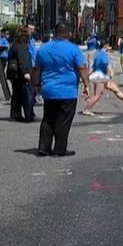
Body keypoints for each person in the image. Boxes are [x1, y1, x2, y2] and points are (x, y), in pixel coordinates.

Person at [31, 23, 90, 157]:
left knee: (48, 119)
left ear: (55, 33)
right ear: (68, 33)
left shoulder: (43, 49)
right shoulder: (73, 49)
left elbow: (37, 69)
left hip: (49, 89)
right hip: (67, 90)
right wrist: (87, 85)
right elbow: (82, 68)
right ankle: (59, 149)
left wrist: (37, 84)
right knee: (63, 121)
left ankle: (44, 148)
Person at [82, 43, 123, 116]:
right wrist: (111, 72)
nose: (110, 48)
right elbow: (107, 64)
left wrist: (87, 77)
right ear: (105, 46)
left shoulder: (98, 55)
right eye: (109, 46)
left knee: (115, 89)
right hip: (100, 77)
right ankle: (86, 109)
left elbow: (92, 67)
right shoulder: (104, 55)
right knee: (98, 95)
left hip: (100, 76)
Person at [7, 32, 36, 122]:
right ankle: (28, 114)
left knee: (16, 95)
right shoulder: (21, 48)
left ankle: (15, 113)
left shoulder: (13, 46)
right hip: (19, 75)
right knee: (25, 95)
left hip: (13, 74)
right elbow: (23, 61)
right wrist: (26, 72)